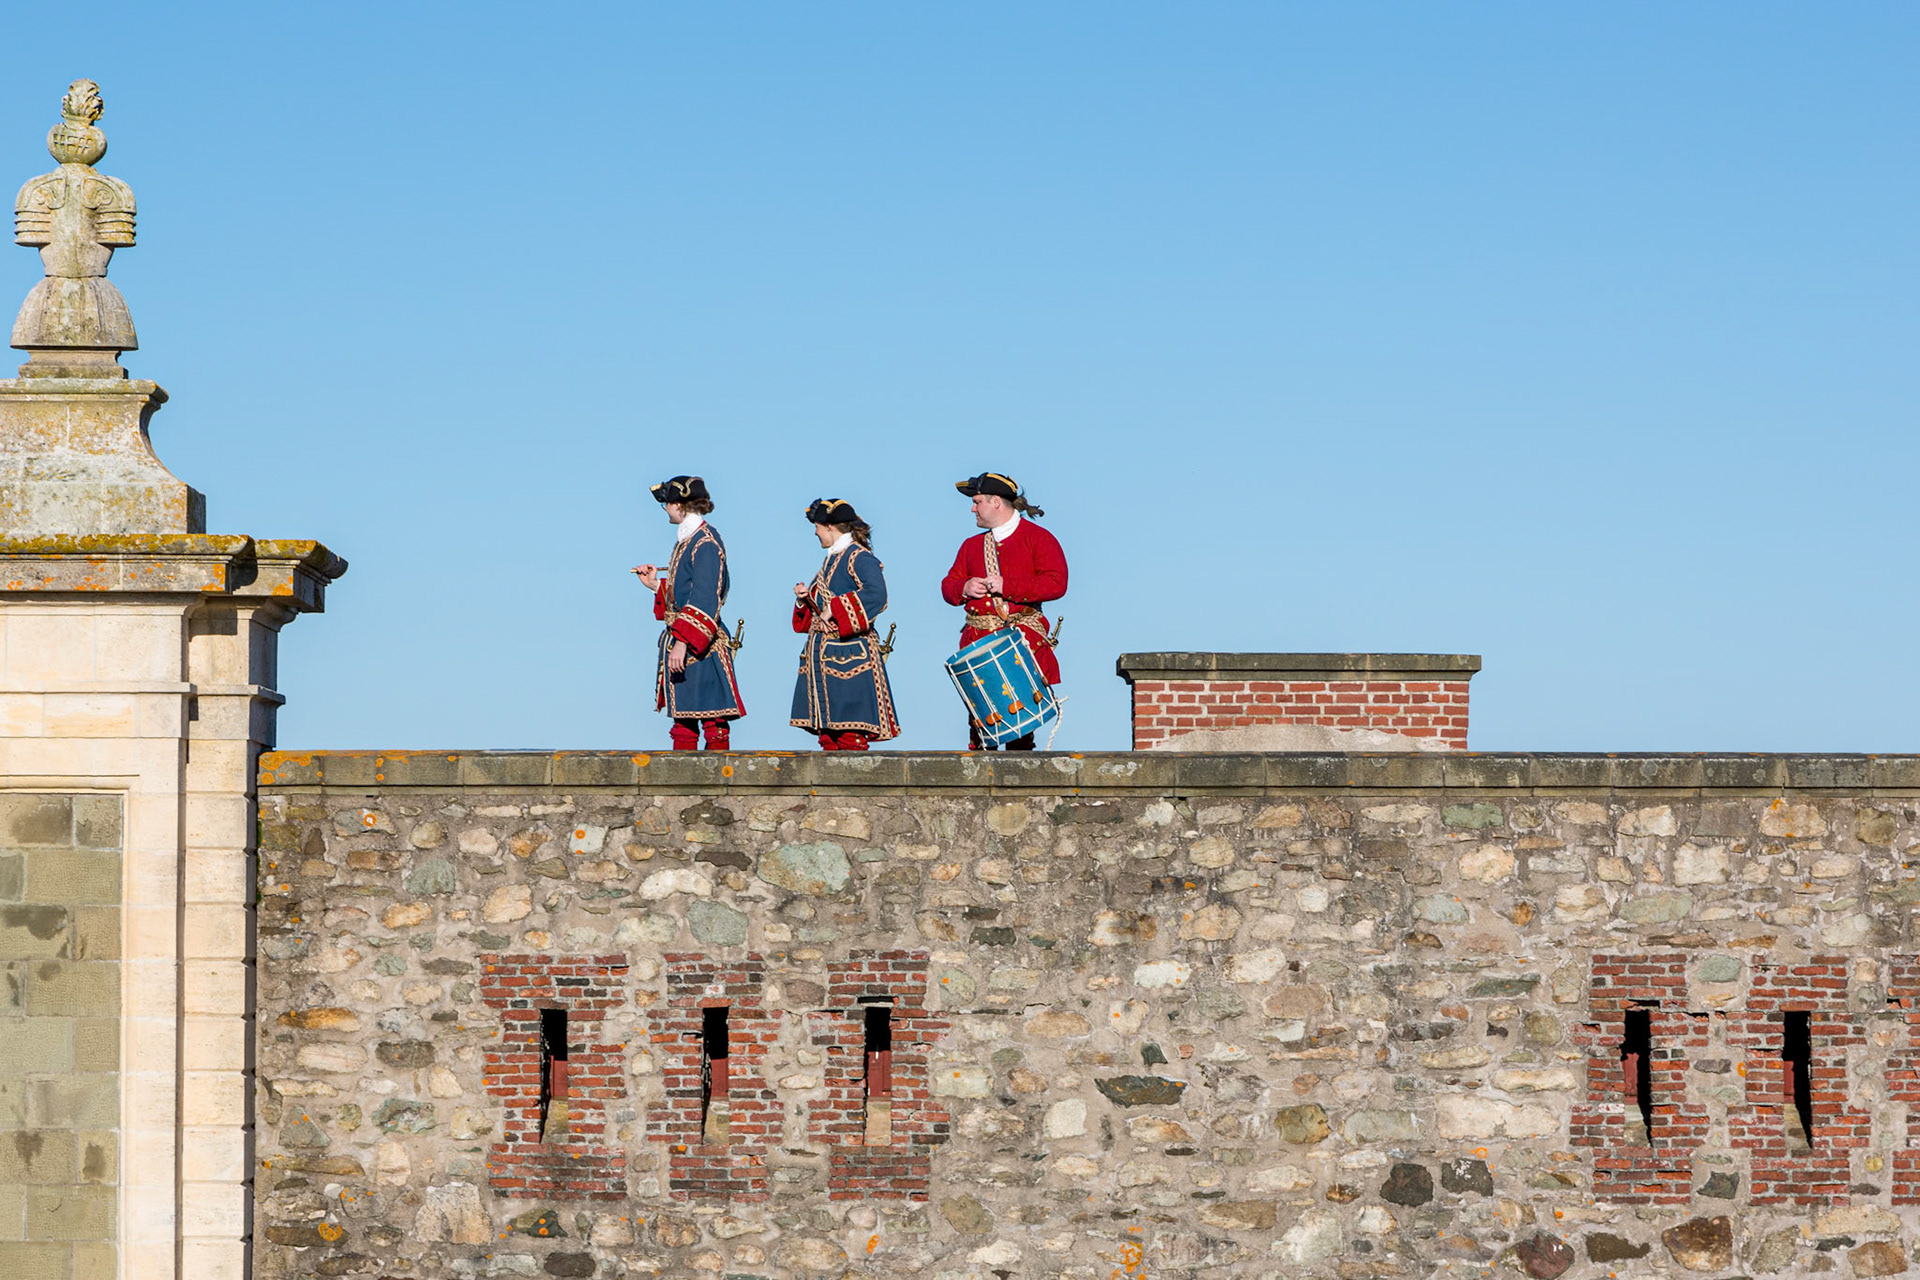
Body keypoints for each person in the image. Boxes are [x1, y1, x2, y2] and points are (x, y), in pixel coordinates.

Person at [939, 472, 1068, 750]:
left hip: (1019, 640)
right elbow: (948, 586)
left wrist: (1007, 586)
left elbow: (1056, 583)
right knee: (980, 726)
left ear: (996, 502)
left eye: (977, 501)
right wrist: (963, 587)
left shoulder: (1038, 538)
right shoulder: (970, 546)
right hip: (977, 640)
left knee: (1020, 726)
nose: (972, 508)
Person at [631, 476, 744, 750]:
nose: (666, 510)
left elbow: (705, 596)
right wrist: (655, 585)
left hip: (700, 645)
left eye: (666, 504)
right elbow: (685, 592)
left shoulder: (705, 542)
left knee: (712, 721)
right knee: (683, 722)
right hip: (688, 639)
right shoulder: (688, 540)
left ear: (679, 505)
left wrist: (683, 642)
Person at [790, 498, 900, 750]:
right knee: (828, 737)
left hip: (850, 660)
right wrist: (803, 601)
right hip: (823, 659)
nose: (815, 532)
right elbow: (817, 615)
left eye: (817, 526)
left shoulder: (860, 557)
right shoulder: (829, 561)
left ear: (829, 526)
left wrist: (834, 609)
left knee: (851, 736)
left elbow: (877, 595)